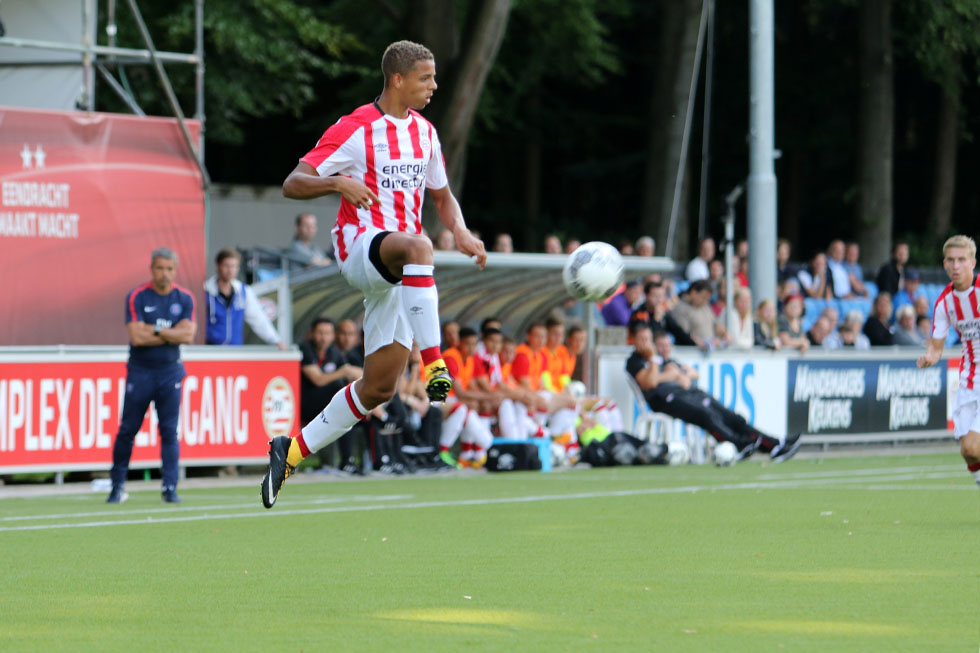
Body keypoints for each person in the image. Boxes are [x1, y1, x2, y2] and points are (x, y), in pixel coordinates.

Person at [265, 40, 487, 508]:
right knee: (419, 244)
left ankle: (291, 452)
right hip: (359, 247)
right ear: (397, 79)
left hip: (400, 271)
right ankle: (434, 363)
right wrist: (336, 181)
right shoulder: (355, 127)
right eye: (426, 77)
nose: (434, 85)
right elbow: (293, 182)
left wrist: (463, 233)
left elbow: (442, 197)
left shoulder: (426, 133)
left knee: (379, 387)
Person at [627, 325, 800, 462]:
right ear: (634, 340)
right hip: (665, 400)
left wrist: (677, 374)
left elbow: (692, 374)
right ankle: (738, 444)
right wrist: (662, 367)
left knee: (732, 417)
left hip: (688, 394)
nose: (646, 343)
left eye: (648, 339)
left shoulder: (666, 361)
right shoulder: (636, 362)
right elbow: (649, 382)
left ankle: (775, 445)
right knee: (706, 415)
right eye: (643, 339)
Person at [107, 248, 196, 504]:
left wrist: (154, 329)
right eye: (160, 268)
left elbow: (187, 336)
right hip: (141, 372)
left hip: (170, 373)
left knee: (169, 431)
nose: (164, 274)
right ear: (151, 269)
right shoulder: (137, 296)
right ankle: (117, 486)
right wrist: (170, 332)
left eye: (169, 269)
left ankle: (170, 487)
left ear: (175, 271)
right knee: (128, 430)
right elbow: (136, 336)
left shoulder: (185, 298)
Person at [917, 235, 980, 490]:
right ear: (944, 264)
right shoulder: (944, 303)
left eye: (961, 260)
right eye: (951, 260)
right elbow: (937, 348)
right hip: (969, 379)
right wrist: (929, 358)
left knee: (974, 445)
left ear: (972, 262)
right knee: (968, 452)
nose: (956, 266)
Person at [203, 248, 288, 350]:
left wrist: (275, 340)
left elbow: (258, 319)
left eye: (234, 266)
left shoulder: (243, 291)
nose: (230, 270)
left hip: (236, 350)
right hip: (210, 352)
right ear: (218, 266)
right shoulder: (206, 290)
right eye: (226, 266)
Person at [298, 318, 362, 426]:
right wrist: (344, 371)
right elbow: (318, 380)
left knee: (353, 388)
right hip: (306, 404)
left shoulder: (333, 351)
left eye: (327, 333)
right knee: (339, 386)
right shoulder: (305, 349)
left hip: (328, 407)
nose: (323, 338)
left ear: (333, 335)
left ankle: (388, 419)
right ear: (312, 333)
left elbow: (353, 372)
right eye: (320, 333)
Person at [629, 280, 697, 346]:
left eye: (661, 296)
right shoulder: (639, 314)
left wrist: (695, 343)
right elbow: (646, 339)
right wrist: (656, 320)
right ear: (646, 296)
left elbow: (677, 331)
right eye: (655, 296)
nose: (659, 300)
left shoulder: (663, 312)